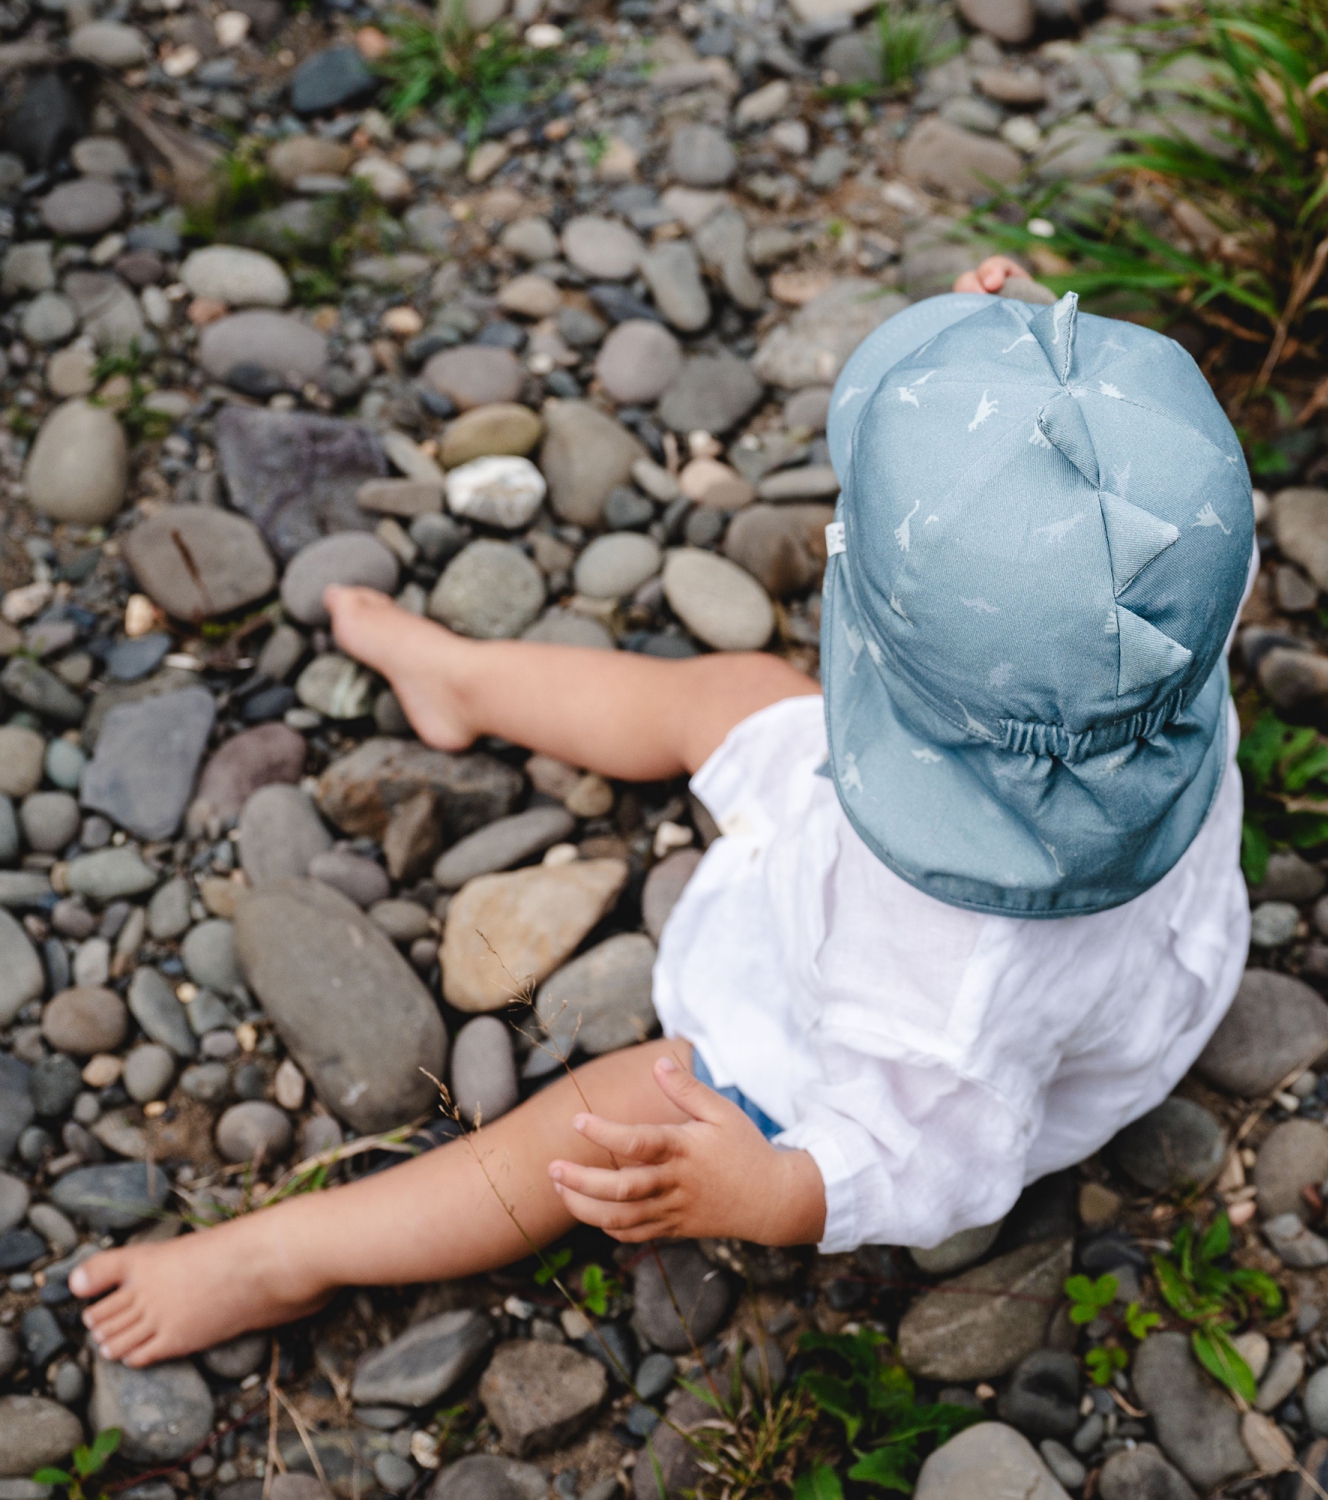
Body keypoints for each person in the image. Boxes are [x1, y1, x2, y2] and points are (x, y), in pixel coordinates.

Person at [67, 256, 1254, 1367]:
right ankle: (463, 681)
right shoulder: (1164, 601)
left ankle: (288, 1254)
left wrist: (769, 1190)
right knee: (739, 698)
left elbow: (930, 1158)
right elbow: (1103, 517)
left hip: (857, 1054)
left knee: (612, 1110)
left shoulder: (945, 996)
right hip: (1095, 870)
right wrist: (1028, 378)